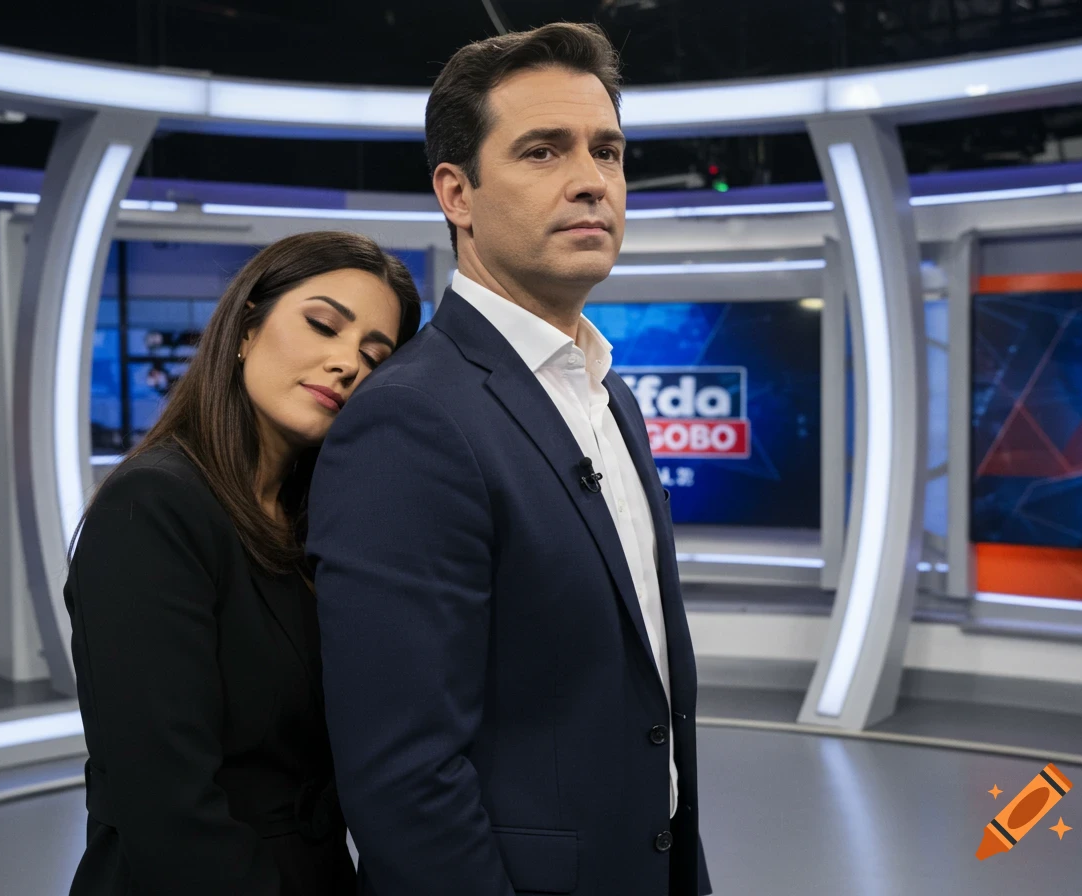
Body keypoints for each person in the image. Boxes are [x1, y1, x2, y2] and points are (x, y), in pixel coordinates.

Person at [307, 23, 711, 896]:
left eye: (608, 151)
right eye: (542, 151)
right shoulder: (412, 421)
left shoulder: (608, 394)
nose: (591, 180)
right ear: (457, 193)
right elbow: (404, 779)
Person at [65, 231, 422, 896]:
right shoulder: (153, 507)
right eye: (323, 326)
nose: (346, 363)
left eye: (374, 356)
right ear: (246, 329)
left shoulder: (321, 521)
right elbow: (169, 807)